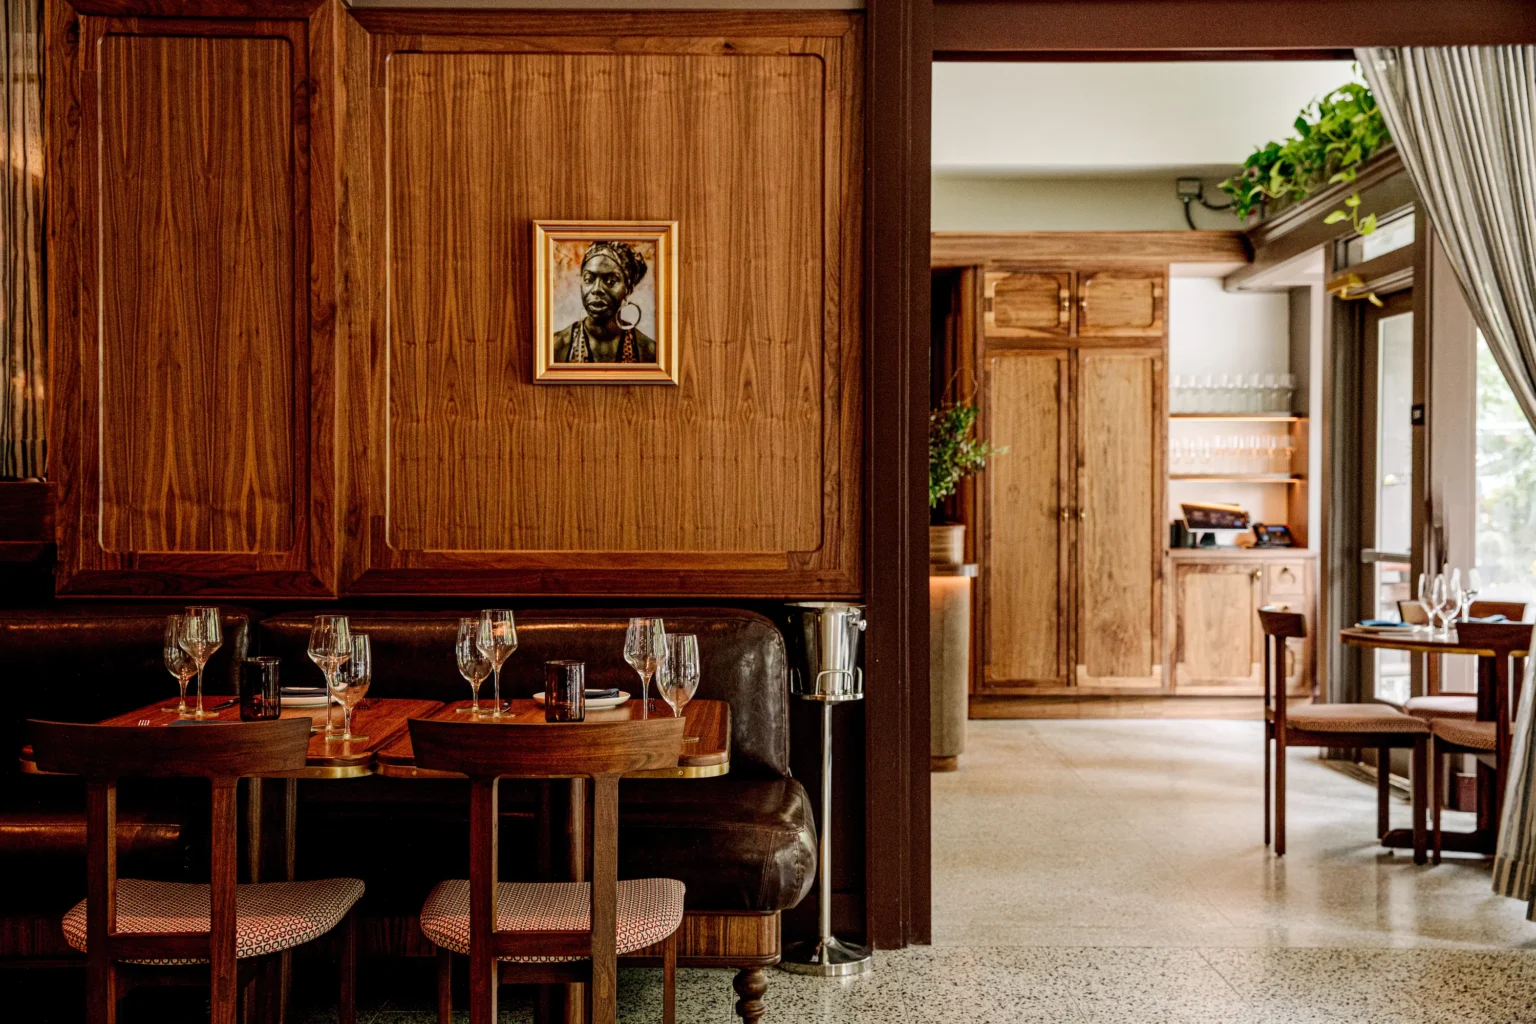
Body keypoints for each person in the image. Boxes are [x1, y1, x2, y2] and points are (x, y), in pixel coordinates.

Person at [553, 240, 656, 363]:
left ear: (628, 289)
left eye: (611, 281)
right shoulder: (555, 348)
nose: (596, 289)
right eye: (588, 279)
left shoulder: (649, 352)